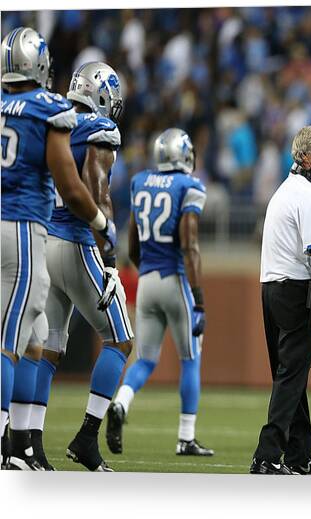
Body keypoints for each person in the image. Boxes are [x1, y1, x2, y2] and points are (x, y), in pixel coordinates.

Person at [1, 28, 116, 470]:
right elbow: (72, 186)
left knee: (34, 341)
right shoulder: (47, 108)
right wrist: (101, 223)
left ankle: (25, 447)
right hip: (25, 228)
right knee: (9, 341)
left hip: (17, 229)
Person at [23, 61, 131, 472]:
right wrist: (109, 260)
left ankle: (28, 445)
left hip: (45, 240)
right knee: (120, 340)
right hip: (78, 241)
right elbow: (96, 192)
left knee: (46, 347)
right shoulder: (99, 130)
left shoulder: (56, 122)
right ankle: (86, 437)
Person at [106, 128, 213, 457]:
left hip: (148, 278)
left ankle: (121, 401)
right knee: (190, 359)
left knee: (145, 359)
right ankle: (186, 437)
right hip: (174, 277)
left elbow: (133, 241)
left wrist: (145, 269)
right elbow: (189, 245)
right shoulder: (189, 186)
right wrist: (199, 299)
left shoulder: (141, 182)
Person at [250, 125, 311, 475]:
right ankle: (267, 455)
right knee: (291, 376)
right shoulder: (307, 195)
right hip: (293, 292)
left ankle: (298, 455)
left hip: (274, 290)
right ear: (305, 154)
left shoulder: (285, 190)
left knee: (293, 374)